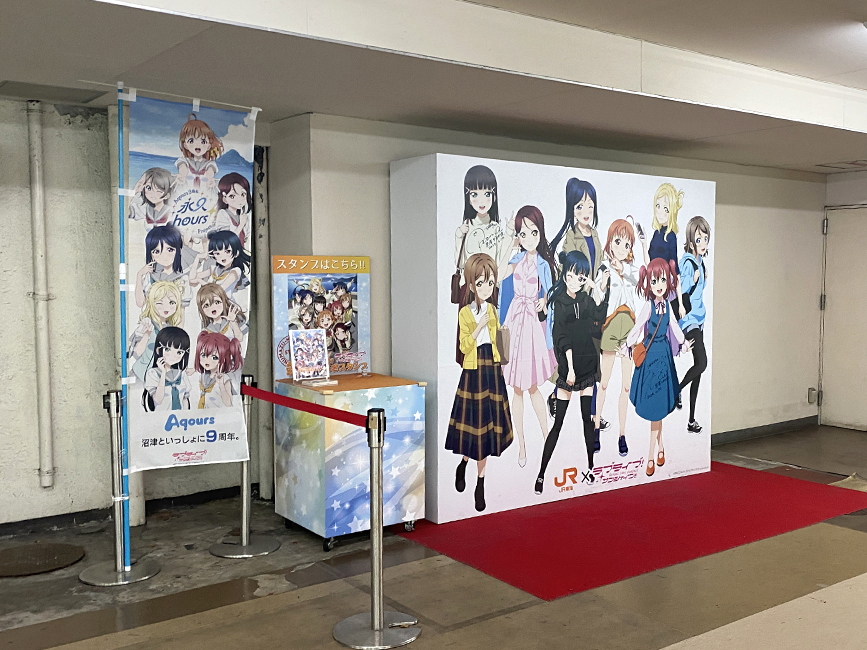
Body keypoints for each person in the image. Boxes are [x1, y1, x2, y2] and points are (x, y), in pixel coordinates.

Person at [536, 251, 609, 495]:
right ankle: (541, 474)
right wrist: (569, 368)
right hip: (569, 368)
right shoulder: (559, 302)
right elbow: (561, 336)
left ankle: (590, 467)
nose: (574, 280)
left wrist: (595, 287)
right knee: (558, 424)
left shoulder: (586, 298)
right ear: (565, 274)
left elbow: (598, 315)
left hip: (587, 364)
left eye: (580, 277)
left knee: (587, 420)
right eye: (571, 275)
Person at [445, 253, 513, 512]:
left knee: (486, 431)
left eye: (490, 282)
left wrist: (501, 358)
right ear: (472, 285)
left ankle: (480, 483)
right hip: (473, 371)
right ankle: (463, 464)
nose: (486, 288)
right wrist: (478, 327)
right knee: (473, 428)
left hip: (491, 369)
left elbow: (497, 342)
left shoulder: (492, 310)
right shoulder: (465, 313)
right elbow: (464, 346)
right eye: (481, 283)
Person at [497, 205, 557, 468]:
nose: (529, 238)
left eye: (534, 232)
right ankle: (521, 443)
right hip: (513, 321)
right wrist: (509, 244)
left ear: (540, 233)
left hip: (532, 323)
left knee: (532, 387)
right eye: (523, 233)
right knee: (517, 389)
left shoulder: (543, 264)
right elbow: (499, 276)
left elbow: (551, 293)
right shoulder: (516, 259)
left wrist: (545, 301)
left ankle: (546, 437)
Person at [627, 258, 692, 477]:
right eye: (654, 281)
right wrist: (627, 344)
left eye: (663, 280)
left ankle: (658, 451)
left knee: (659, 408)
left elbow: (674, 326)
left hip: (663, 356)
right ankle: (651, 456)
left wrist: (683, 343)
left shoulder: (668, 306)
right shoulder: (648, 305)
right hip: (650, 356)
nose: (659, 285)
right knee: (656, 408)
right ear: (648, 282)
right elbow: (638, 327)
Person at [595, 218, 648, 457]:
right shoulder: (603, 269)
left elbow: (645, 277)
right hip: (610, 327)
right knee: (604, 383)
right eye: (618, 242)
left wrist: (642, 246)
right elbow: (596, 300)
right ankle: (596, 428)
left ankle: (622, 435)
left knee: (626, 386)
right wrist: (602, 285)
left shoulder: (632, 270)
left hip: (629, 330)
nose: (622, 248)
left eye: (627, 244)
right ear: (610, 242)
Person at [677, 216, 711, 433]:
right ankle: (677, 389)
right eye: (699, 239)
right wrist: (695, 280)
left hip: (700, 318)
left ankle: (691, 420)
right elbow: (683, 290)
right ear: (690, 241)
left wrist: (702, 278)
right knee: (702, 363)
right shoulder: (688, 262)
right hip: (689, 320)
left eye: (705, 238)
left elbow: (698, 292)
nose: (703, 243)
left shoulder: (699, 262)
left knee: (698, 369)